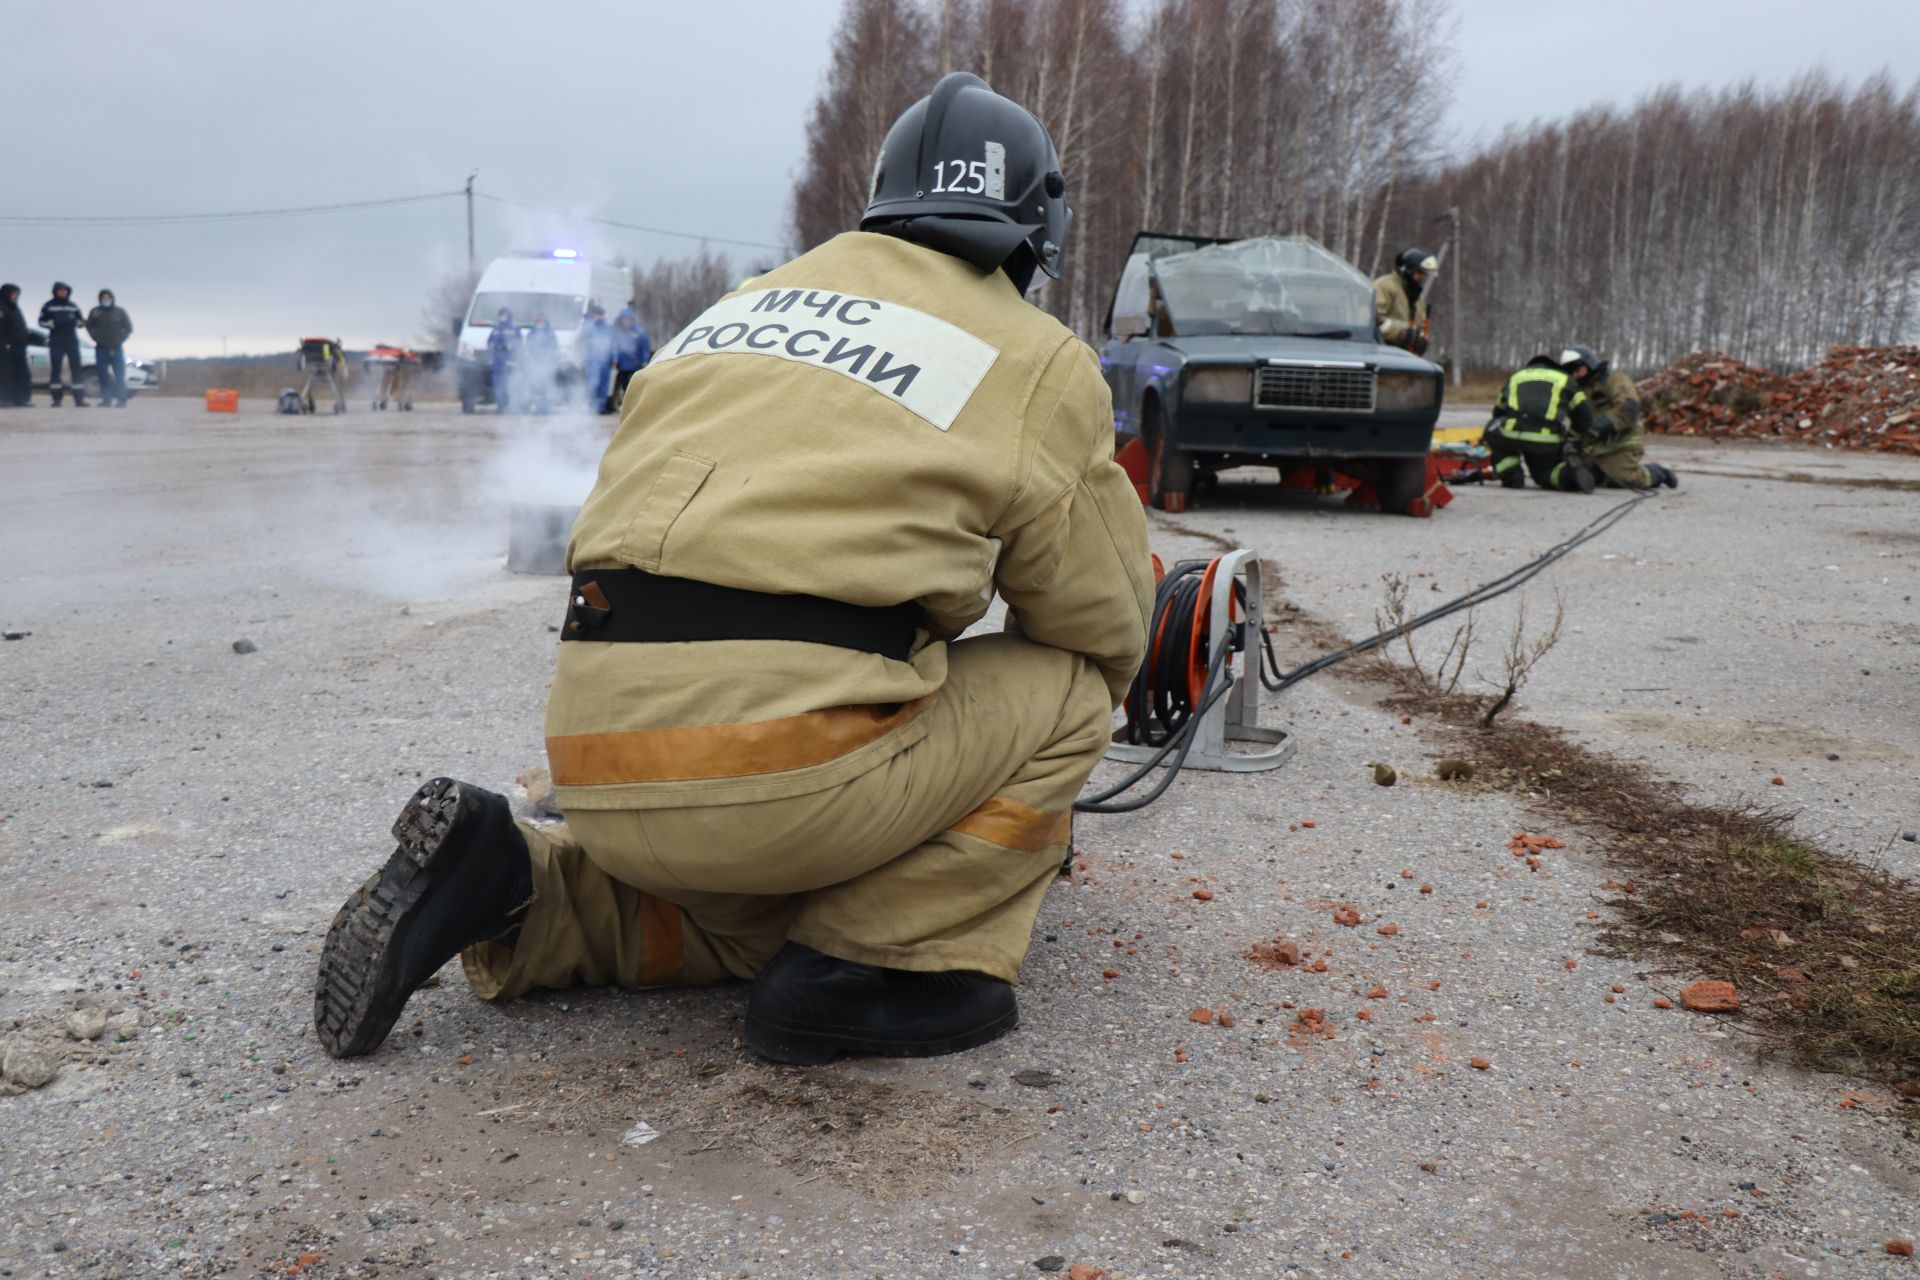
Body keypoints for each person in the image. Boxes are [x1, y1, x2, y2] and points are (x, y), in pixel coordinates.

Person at [314, 71, 1153, 1068]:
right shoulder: (1035, 354)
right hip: (786, 778)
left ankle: (514, 877)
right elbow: (1100, 623)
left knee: (754, 896)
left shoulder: (735, 309)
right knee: (1070, 688)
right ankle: (879, 967)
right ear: (1032, 231)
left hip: (596, 759)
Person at [1484, 347, 1610, 492]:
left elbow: (1498, 412)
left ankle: (1511, 475)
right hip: (1545, 442)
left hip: (1512, 437)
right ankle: (1567, 476)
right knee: (1545, 474)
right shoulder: (1565, 380)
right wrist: (1571, 441)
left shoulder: (1516, 377)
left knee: (1491, 429)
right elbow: (1585, 419)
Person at [1563, 346, 1678, 490]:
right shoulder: (1578, 389)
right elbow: (1577, 419)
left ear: (1589, 363)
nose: (1575, 375)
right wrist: (1572, 441)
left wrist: (1601, 427)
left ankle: (1658, 473)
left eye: (1577, 369)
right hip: (1594, 445)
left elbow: (1628, 408)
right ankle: (1604, 473)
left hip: (1622, 440)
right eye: (1570, 372)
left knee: (1623, 478)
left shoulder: (1615, 379)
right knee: (1583, 475)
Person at [1373, 247, 1438, 354]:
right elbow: (1374, 320)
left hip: (1405, 358)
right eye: (1419, 273)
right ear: (1407, 270)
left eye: (1424, 274)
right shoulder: (1384, 287)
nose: (1422, 277)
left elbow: (1418, 328)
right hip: (1382, 354)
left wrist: (1420, 341)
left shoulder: (1418, 299)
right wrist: (1403, 334)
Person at [38, 282, 88, 407]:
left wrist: (80, 323)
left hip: (71, 341)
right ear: (55, 292)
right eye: (60, 290)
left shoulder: (73, 306)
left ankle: (79, 400)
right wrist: (50, 324)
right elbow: (41, 321)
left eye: (65, 290)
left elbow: (81, 321)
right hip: (56, 341)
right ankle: (57, 399)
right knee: (56, 371)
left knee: (76, 370)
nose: (63, 292)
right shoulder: (49, 306)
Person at [85, 289, 134, 407]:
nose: (106, 300)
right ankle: (106, 400)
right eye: (104, 298)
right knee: (102, 375)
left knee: (119, 375)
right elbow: (89, 326)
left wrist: (120, 339)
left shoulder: (119, 312)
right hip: (101, 348)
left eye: (108, 298)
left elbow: (128, 328)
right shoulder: (96, 312)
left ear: (112, 299)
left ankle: (121, 400)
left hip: (116, 348)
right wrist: (96, 338)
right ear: (100, 299)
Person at [607, 307, 651, 411]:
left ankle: (635, 406)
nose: (626, 321)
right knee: (622, 385)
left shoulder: (639, 332)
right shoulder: (618, 332)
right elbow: (615, 346)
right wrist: (615, 358)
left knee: (634, 386)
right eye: (624, 319)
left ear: (632, 320)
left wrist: (645, 361)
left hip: (635, 365)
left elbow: (645, 347)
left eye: (628, 319)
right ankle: (623, 405)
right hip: (622, 366)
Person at [577, 303, 613, 413]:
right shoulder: (588, 327)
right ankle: (591, 407)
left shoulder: (608, 328)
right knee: (592, 383)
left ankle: (601, 407)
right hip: (592, 360)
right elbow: (580, 342)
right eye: (597, 314)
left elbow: (613, 344)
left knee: (603, 384)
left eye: (601, 314)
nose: (599, 316)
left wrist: (613, 358)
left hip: (604, 360)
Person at [522, 314, 560, 414]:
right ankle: (538, 408)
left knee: (547, 387)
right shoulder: (531, 334)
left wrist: (554, 362)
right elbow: (527, 349)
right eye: (538, 321)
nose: (539, 323)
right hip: (535, 364)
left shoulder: (550, 334)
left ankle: (547, 408)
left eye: (541, 321)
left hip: (547, 364)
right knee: (536, 386)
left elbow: (555, 349)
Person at [0, 284, 29, 407]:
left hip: (19, 347)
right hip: (5, 348)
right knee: (6, 374)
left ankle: (20, 399)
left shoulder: (16, 309)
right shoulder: (2, 309)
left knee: (21, 373)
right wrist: (5, 344)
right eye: (13, 294)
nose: (15, 296)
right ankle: (5, 399)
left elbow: (21, 327)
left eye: (17, 294)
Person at [487, 307, 520, 412]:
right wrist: (495, 346)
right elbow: (489, 342)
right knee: (498, 386)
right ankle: (501, 406)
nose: (503, 317)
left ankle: (510, 406)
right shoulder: (496, 329)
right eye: (501, 314)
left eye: (505, 314)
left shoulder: (514, 329)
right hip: (497, 363)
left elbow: (519, 345)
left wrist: (508, 347)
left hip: (510, 363)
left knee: (510, 385)